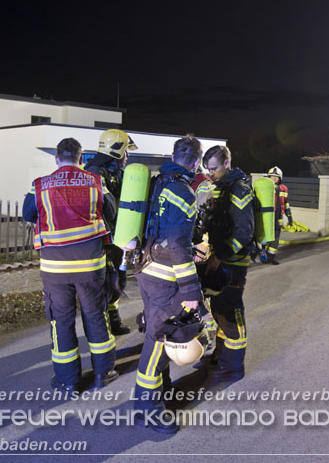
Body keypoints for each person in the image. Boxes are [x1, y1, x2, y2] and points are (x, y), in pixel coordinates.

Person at [23, 138, 118, 393]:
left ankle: (68, 381)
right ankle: (104, 373)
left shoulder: (40, 185)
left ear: (56, 158)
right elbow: (111, 211)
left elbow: (27, 213)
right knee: (96, 315)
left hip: (55, 269)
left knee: (61, 321)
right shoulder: (96, 182)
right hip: (90, 265)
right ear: (81, 158)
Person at [133, 135, 203, 434]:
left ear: (172, 155)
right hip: (166, 276)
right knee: (159, 339)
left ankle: (156, 392)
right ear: (197, 161)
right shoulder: (183, 191)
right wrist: (190, 290)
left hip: (147, 268)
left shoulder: (158, 181)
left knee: (154, 328)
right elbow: (177, 244)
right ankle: (147, 409)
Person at [201, 145, 254, 384]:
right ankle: (221, 356)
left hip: (233, 262)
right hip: (221, 258)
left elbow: (244, 232)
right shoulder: (222, 186)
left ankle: (233, 366)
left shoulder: (239, 188)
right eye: (207, 169)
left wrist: (219, 256)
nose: (210, 173)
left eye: (214, 168)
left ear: (226, 163)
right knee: (219, 310)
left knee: (232, 312)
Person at [84, 129, 138, 336]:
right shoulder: (94, 172)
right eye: (126, 151)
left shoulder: (116, 172)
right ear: (116, 151)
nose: (128, 156)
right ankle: (104, 323)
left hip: (118, 236)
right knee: (105, 282)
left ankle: (112, 317)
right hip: (100, 239)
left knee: (117, 279)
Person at [260, 166, 293, 265]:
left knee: (276, 238)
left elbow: (286, 203)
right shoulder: (265, 187)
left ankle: (272, 256)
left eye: (276, 177)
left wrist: (289, 216)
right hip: (267, 217)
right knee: (266, 238)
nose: (274, 178)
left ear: (280, 178)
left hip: (278, 217)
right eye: (272, 176)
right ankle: (263, 255)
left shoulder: (284, 189)